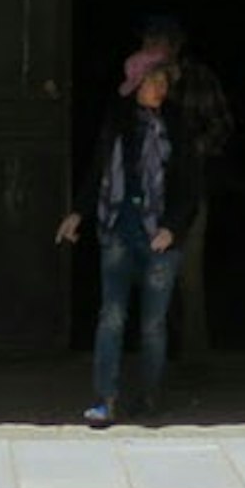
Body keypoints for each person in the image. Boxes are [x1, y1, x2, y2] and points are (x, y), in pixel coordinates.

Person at [55, 39, 206, 426]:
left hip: (159, 236)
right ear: (137, 83)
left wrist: (173, 228)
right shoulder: (117, 122)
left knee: (153, 324)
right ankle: (106, 397)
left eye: (164, 81)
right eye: (154, 80)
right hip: (118, 230)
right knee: (112, 316)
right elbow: (99, 171)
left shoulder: (176, 124)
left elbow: (190, 185)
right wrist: (78, 212)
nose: (161, 88)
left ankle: (151, 396)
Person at [140, 10, 237, 360]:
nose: (152, 49)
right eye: (147, 42)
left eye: (159, 43)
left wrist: (192, 150)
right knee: (151, 272)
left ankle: (194, 355)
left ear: (175, 47)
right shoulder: (139, 80)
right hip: (148, 193)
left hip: (188, 190)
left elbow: (221, 125)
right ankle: (158, 356)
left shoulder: (199, 79)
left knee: (188, 275)